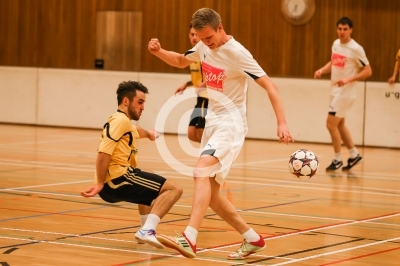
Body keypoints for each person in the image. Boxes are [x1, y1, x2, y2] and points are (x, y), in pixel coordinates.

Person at [148, 8, 293, 260]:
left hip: (231, 123)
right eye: (201, 38)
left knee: (199, 171)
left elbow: (270, 85)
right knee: (212, 196)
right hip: (212, 122)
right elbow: (181, 61)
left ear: (220, 27)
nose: (205, 42)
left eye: (208, 37)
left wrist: (282, 123)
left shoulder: (237, 53)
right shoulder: (204, 48)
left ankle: (190, 237)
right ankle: (252, 239)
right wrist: (159, 52)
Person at [80, 80, 183, 249]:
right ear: (126, 101)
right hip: (116, 180)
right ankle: (148, 230)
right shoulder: (121, 121)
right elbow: (103, 153)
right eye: (140, 102)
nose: (143, 107)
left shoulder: (122, 121)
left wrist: (149, 134)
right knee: (174, 189)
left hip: (114, 181)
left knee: (147, 173)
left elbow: (137, 131)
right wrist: (99, 183)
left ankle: (144, 228)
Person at [314, 17, 372, 171]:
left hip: (345, 93)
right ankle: (354, 155)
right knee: (340, 125)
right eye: (339, 29)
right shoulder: (335, 44)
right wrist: (322, 70)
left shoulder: (356, 49)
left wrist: (348, 79)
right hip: (334, 91)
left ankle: (337, 158)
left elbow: (368, 71)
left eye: (345, 29)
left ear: (351, 30)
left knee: (330, 124)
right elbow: (333, 63)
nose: (342, 32)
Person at [175, 23, 208, 143]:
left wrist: (205, 84)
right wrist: (187, 84)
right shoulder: (192, 55)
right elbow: (198, 77)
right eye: (192, 34)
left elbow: (217, 75)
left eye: (197, 35)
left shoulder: (206, 54)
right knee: (191, 133)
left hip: (208, 99)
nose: (194, 37)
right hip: (200, 98)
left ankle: (209, 158)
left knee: (201, 133)